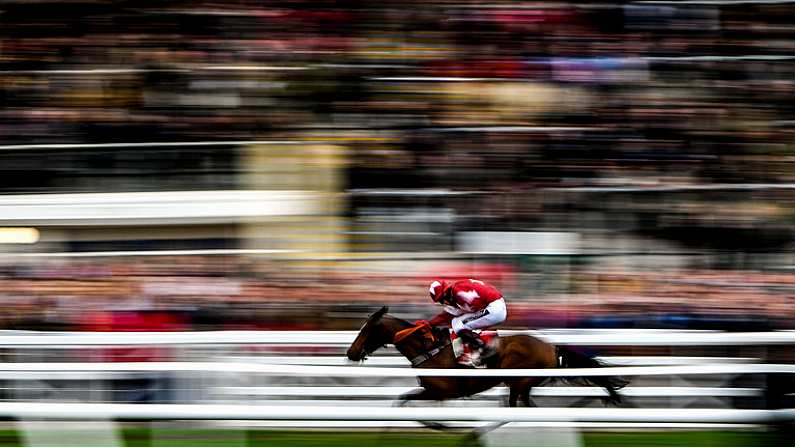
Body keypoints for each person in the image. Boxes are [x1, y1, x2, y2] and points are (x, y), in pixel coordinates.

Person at [416, 278, 507, 364]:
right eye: (440, 301)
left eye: (442, 299)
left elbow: (475, 305)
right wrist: (429, 323)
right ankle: (476, 347)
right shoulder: (455, 293)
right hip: (493, 306)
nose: (444, 303)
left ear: (445, 292)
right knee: (456, 322)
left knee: (460, 325)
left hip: (494, 308)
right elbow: (447, 315)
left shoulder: (459, 292)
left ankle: (484, 348)